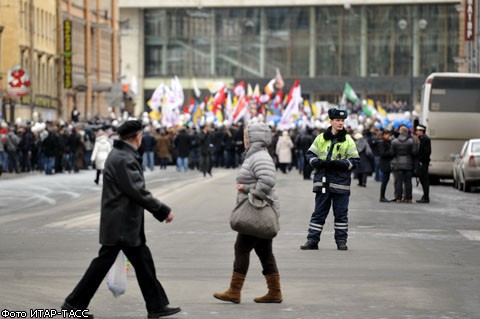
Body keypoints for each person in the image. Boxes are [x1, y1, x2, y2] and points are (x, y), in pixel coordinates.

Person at [62, 119, 181, 318]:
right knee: (104, 265)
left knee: (142, 263)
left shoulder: (121, 155)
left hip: (122, 222)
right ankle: (74, 304)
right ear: (137, 137)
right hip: (122, 223)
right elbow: (137, 191)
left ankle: (156, 305)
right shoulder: (124, 159)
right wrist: (162, 210)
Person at [214, 122, 282, 304]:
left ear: (254, 138)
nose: (244, 139)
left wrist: (247, 188)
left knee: (241, 248)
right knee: (265, 251)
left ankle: (234, 291)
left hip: (257, 210)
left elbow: (267, 181)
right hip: (259, 209)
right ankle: (275, 292)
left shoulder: (259, 157)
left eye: (246, 136)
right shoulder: (257, 155)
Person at [300, 108, 359, 251]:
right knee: (319, 213)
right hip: (324, 182)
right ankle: (312, 241)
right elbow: (310, 154)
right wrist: (316, 163)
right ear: (331, 121)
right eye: (337, 120)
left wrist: (340, 163)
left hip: (341, 184)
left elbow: (355, 161)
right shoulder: (321, 138)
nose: (340, 123)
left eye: (342, 121)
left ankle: (341, 241)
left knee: (341, 215)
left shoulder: (348, 140)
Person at [391, 125, 418, 203]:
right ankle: (408, 198)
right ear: (407, 132)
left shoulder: (395, 141)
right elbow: (414, 152)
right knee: (408, 182)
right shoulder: (411, 141)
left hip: (398, 163)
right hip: (409, 163)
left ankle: (398, 197)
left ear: (400, 132)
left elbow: (392, 153)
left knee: (399, 181)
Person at [414, 124, 431, 203]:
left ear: (421, 131)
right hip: (422, 162)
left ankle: (426, 197)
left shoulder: (425, 139)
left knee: (424, 180)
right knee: (422, 179)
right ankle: (425, 195)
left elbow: (426, 152)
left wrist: (421, 160)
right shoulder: (421, 138)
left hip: (423, 162)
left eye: (418, 131)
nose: (416, 132)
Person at [377, 129, 394, 202]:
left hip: (389, 163)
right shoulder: (382, 143)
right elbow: (382, 154)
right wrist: (391, 152)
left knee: (386, 180)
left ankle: (383, 196)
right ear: (383, 135)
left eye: (389, 135)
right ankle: (382, 196)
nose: (389, 136)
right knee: (384, 181)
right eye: (387, 134)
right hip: (385, 164)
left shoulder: (388, 142)